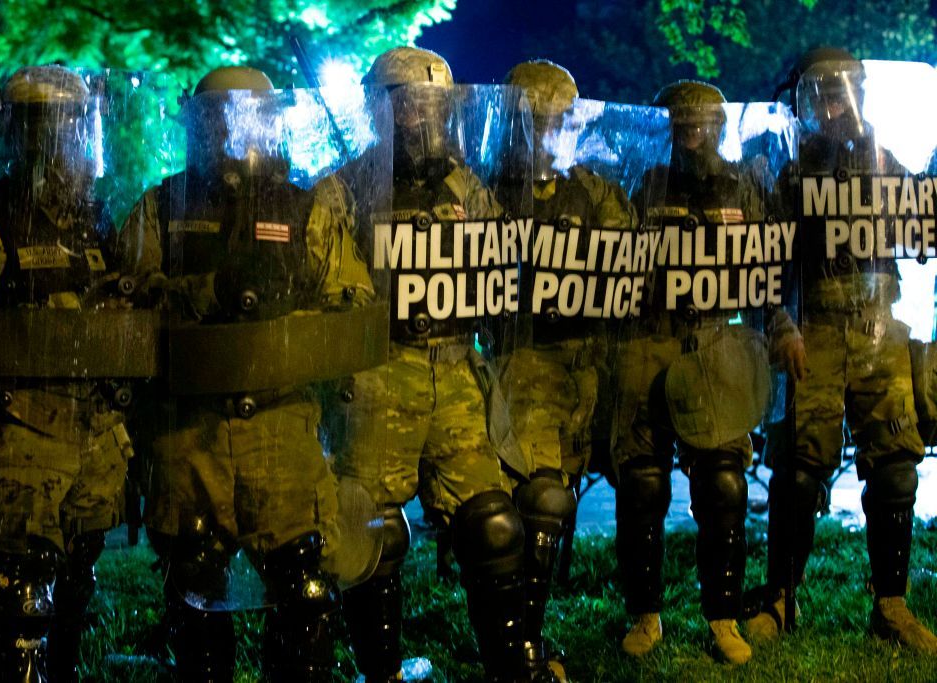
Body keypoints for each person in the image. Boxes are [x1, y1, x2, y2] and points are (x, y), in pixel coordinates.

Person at [118, 65, 378, 681]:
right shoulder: (162, 207)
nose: (228, 131)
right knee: (197, 588)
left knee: (306, 589)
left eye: (244, 117)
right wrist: (206, 292)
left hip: (282, 425)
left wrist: (291, 313)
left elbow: (354, 304)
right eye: (213, 119)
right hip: (191, 435)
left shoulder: (306, 209)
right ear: (195, 126)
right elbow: (122, 304)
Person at [336, 46, 551, 682]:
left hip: (457, 371)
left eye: (431, 107)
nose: (421, 121)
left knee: (493, 524)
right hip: (378, 375)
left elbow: (496, 275)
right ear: (381, 112)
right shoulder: (345, 191)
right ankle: (380, 671)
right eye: (407, 107)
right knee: (372, 534)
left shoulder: (468, 189)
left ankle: (512, 667)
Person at [746, 47, 937, 653]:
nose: (832, 108)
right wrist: (782, 327)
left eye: (840, 94)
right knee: (800, 471)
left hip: (881, 327)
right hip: (818, 329)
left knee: (898, 466)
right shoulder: (793, 175)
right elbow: (763, 267)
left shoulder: (885, 164)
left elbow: (921, 221)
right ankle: (780, 597)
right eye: (821, 97)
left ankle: (891, 605)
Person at [612, 80, 803, 665]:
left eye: (699, 118)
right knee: (642, 486)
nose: (689, 126)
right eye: (679, 118)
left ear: (720, 125)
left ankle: (723, 615)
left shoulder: (746, 184)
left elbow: (768, 268)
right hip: (651, 342)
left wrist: (782, 327)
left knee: (723, 484)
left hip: (719, 343)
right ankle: (646, 614)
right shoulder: (644, 184)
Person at [0, 65, 137, 681]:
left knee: (75, 579)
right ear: (15, 135)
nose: (57, 144)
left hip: (93, 425)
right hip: (24, 431)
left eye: (68, 128)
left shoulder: (93, 217)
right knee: (23, 596)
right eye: (44, 129)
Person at [501, 58, 637, 678]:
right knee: (544, 500)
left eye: (558, 121)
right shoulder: (489, 192)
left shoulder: (596, 191)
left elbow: (637, 264)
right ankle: (524, 645)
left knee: (592, 494)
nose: (546, 134)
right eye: (535, 121)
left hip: (592, 372)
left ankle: (627, 613)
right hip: (527, 368)